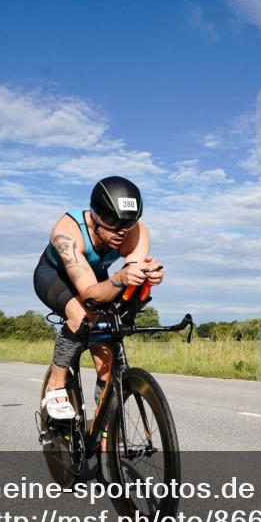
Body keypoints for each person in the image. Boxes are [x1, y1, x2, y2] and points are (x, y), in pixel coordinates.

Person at [33, 176, 163, 419]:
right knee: (83, 315)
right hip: (55, 275)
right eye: (112, 222)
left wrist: (145, 277)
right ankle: (56, 385)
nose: (121, 231)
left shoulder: (136, 232)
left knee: (107, 353)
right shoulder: (67, 233)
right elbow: (89, 293)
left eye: (128, 223)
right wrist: (121, 278)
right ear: (95, 215)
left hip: (94, 275)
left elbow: (128, 283)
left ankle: (106, 427)